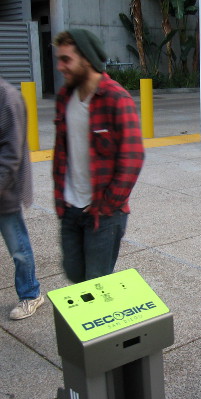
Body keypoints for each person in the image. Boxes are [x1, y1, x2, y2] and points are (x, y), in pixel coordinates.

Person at [52, 29, 144, 283]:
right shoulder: (64, 97)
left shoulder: (116, 99)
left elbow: (133, 157)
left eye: (66, 60)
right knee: (74, 275)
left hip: (104, 215)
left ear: (86, 59)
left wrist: (106, 204)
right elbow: (62, 152)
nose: (60, 67)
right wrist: (61, 198)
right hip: (71, 207)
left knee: (95, 283)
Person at [0, 76, 44, 320]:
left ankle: (31, 294)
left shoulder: (7, 97)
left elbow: (11, 154)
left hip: (5, 192)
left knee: (18, 247)